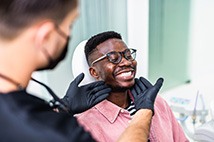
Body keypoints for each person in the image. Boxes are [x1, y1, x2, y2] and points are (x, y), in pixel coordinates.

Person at [0, 0, 162, 141]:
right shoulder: (60, 132)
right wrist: (144, 112)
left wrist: (62, 107)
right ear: (46, 35)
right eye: (69, 26)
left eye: (127, 54)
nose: (126, 62)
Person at [75, 31, 189, 142]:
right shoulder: (86, 126)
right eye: (114, 58)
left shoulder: (157, 102)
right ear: (94, 72)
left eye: (128, 55)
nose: (126, 62)